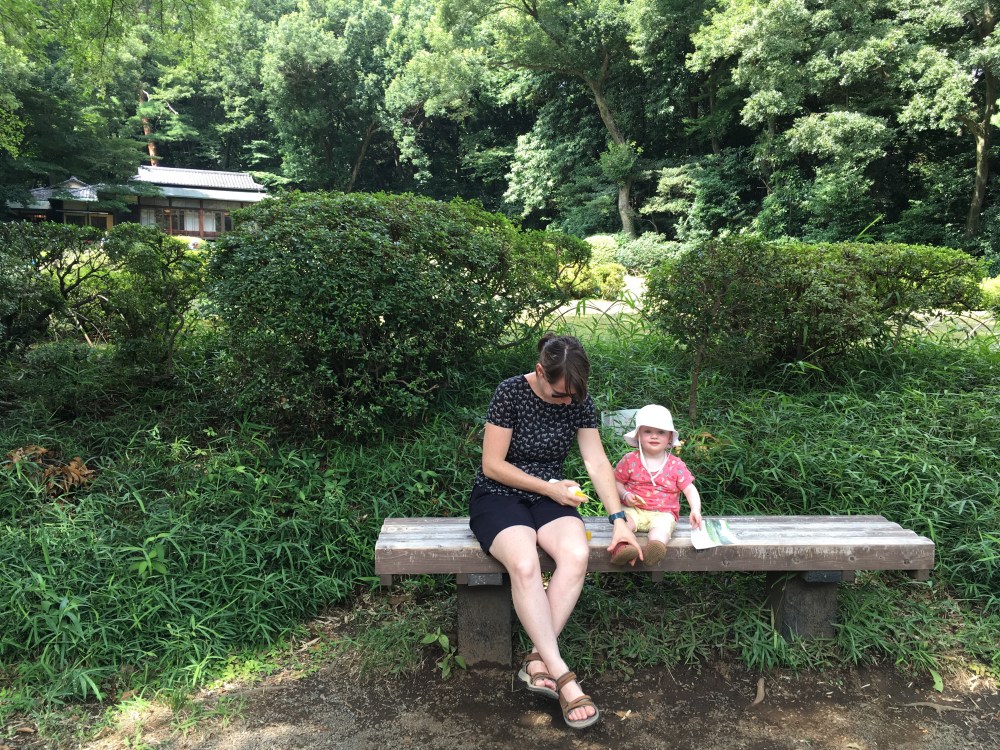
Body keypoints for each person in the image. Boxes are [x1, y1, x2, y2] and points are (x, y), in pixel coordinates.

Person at [469, 333, 641, 730]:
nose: (567, 402)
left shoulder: (579, 400)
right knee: (525, 563)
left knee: (577, 555)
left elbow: (596, 461)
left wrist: (618, 520)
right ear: (540, 371)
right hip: (499, 495)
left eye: (573, 396)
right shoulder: (510, 392)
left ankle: (536, 659)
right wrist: (549, 488)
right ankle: (562, 674)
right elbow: (493, 464)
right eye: (560, 394)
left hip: (551, 494)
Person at [610, 404, 703, 567]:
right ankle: (622, 548)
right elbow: (616, 482)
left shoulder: (675, 464)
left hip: (663, 513)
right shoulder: (630, 459)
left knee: (662, 529)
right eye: (648, 431)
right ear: (638, 435)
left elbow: (689, 489)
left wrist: (695, 509)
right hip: (633, 509)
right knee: (624, 522)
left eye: (661, 432)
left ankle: (655, 548)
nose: (654, 436)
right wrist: (625, 494)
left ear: (669, 437)